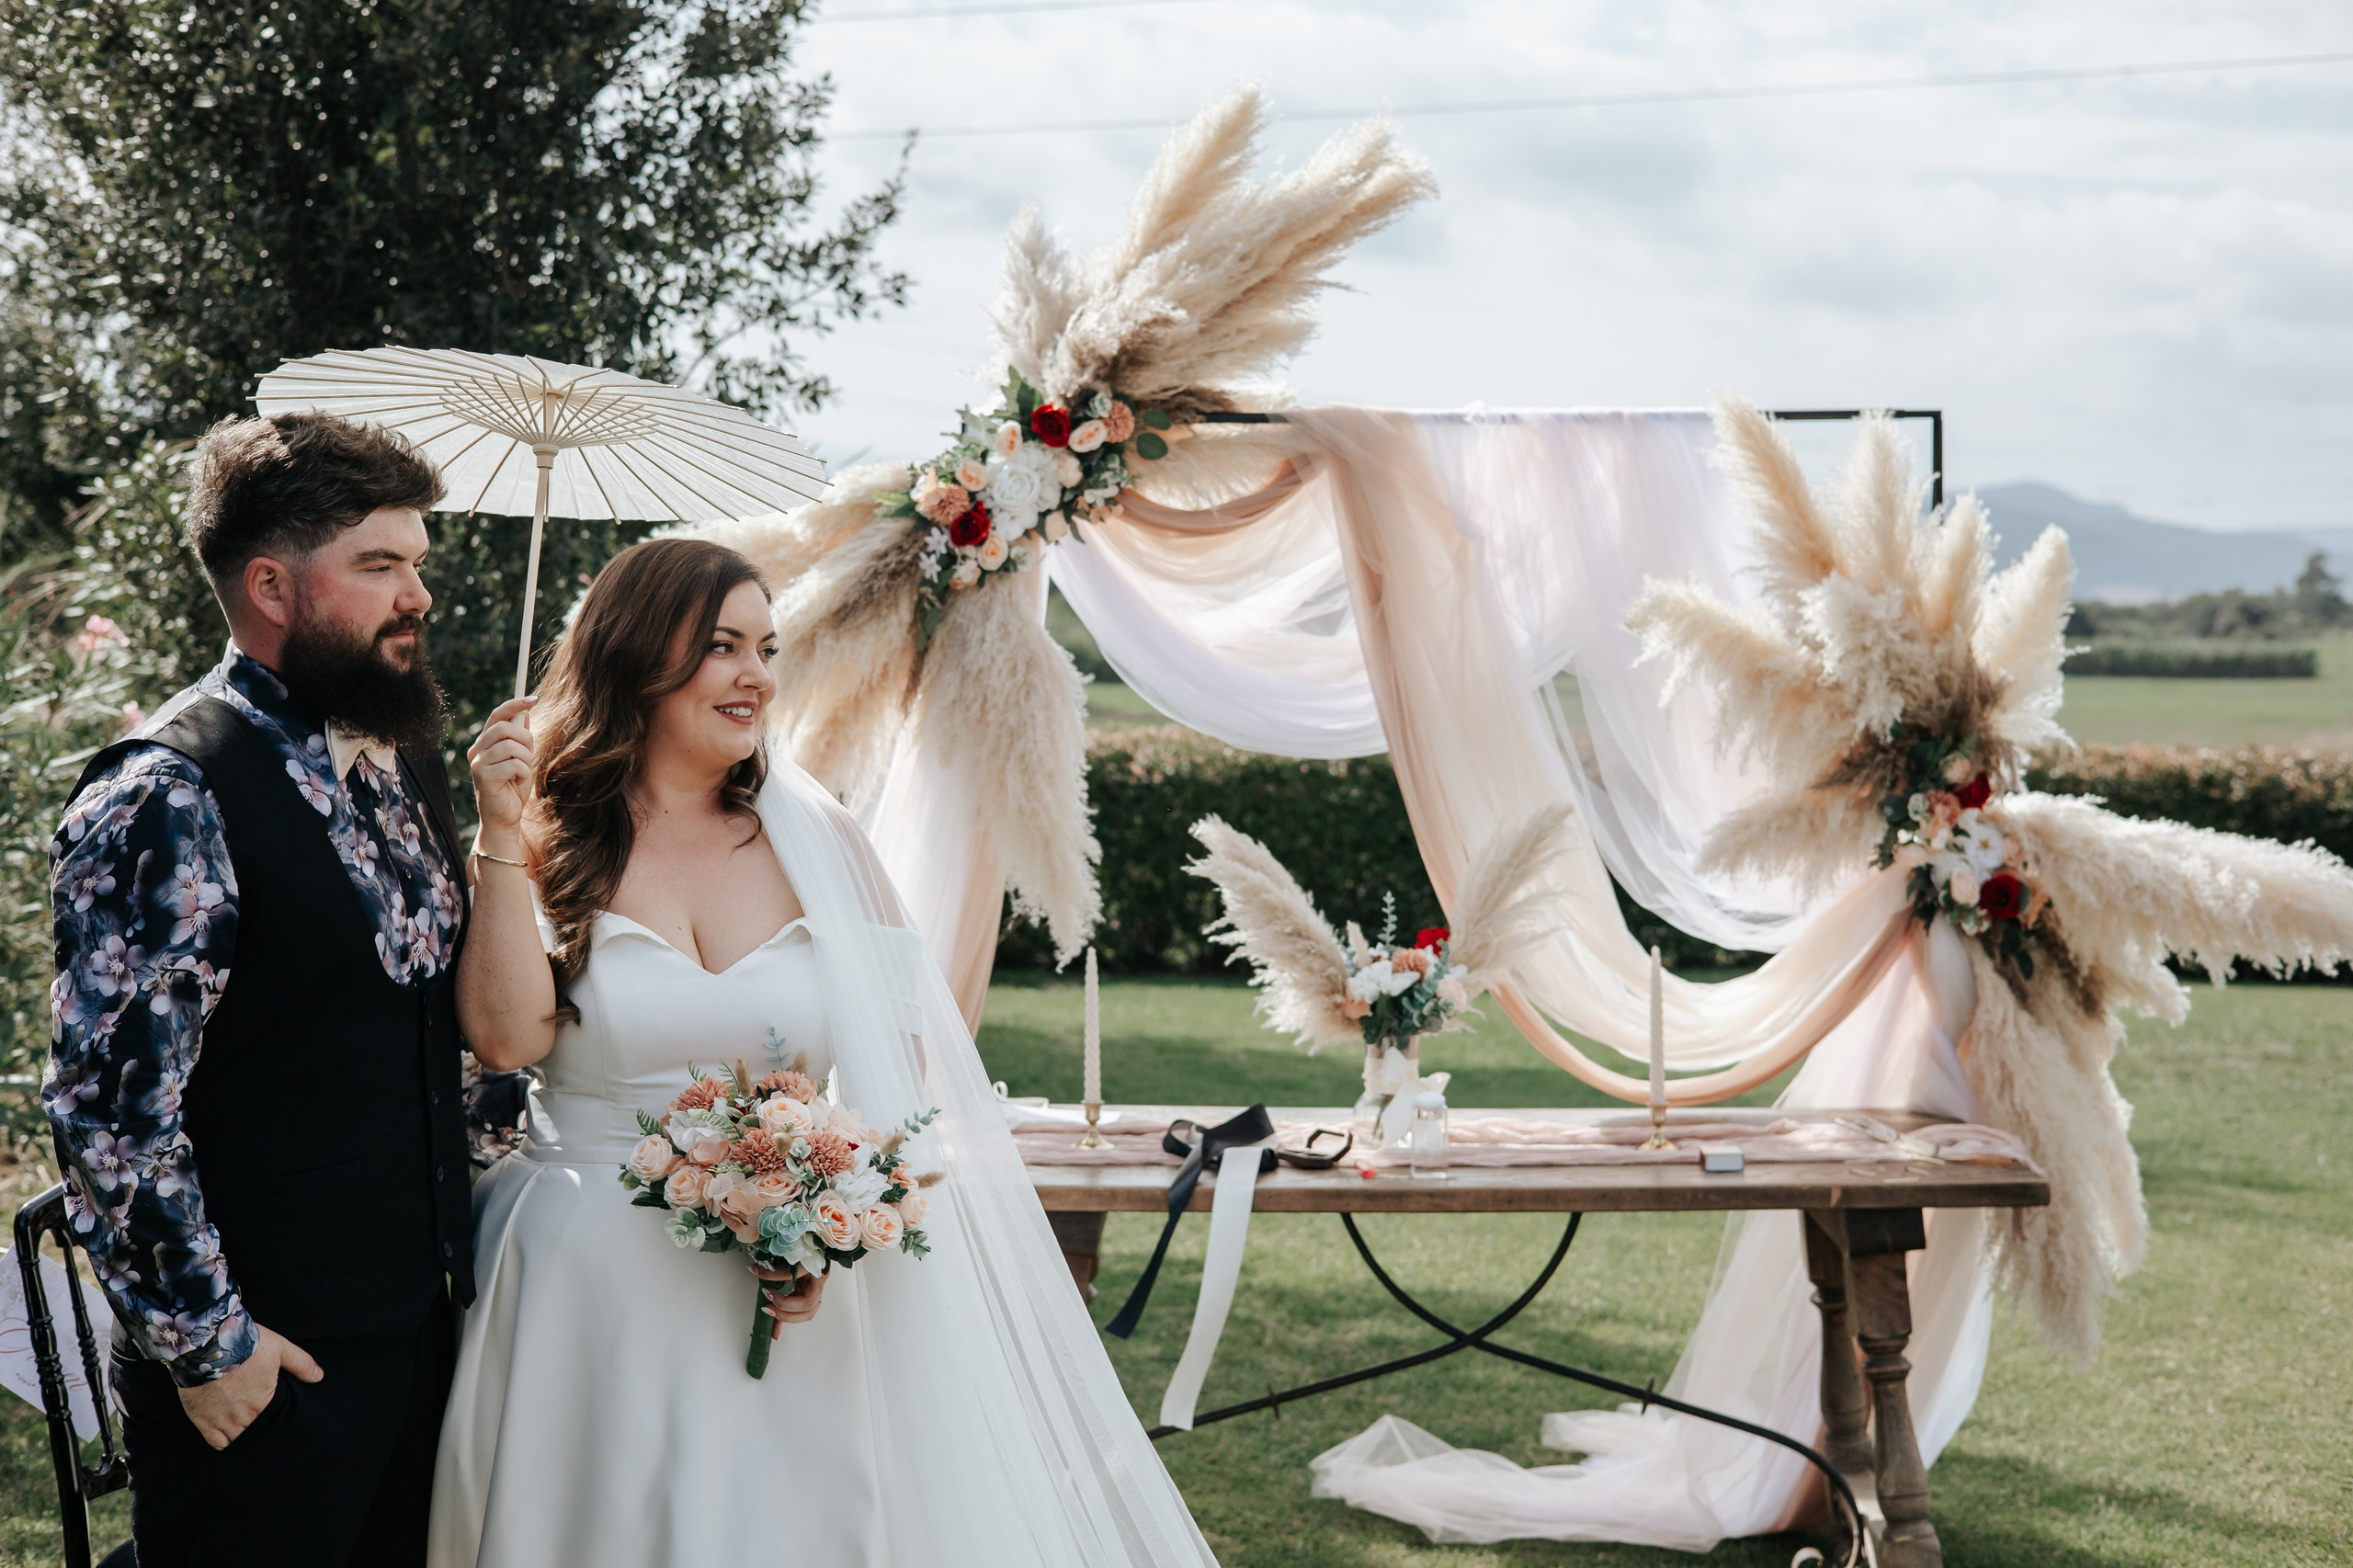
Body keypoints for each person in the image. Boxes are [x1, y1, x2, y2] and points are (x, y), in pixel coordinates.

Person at [430, 538, 1218, 1567]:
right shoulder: (540, 828)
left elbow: (901, 1062)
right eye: (720, 646)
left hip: (769, 1280)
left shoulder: (821, 842)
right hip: (582, 1279)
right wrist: (496, 826)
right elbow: (501, 1034)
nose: (756, 673)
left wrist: (832, 1225)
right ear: (634, 655)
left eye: (765, 645)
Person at [43, 414, 523, 1567]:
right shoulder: (168, 792)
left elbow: (426, 1031)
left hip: (417, 1337)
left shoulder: (399, 757)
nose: (418, 595)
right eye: (379, 565)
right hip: (269, 1370)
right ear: (270, 583)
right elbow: (110, 1113)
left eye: (417, 561)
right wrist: (212, 1349)